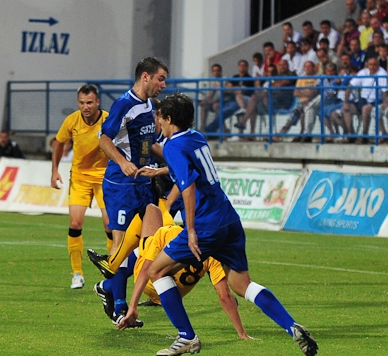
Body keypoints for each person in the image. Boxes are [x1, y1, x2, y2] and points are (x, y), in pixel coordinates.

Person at [117, 93, 317, 356]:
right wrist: (161, 171)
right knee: (243, 285)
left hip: (205, 225)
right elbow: (193, 168)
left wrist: (190, 230)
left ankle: (186, 336)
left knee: (156, 270)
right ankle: (290, 325)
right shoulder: (196, 137)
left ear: (169, 118)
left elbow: (188, 187)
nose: (158, 122)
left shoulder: (173, 146)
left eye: (160, 117)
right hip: (229, 220)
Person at [88, 56, 168, 324]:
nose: (163, 85)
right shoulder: (124, 104)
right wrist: (123, 163)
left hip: (144, 183)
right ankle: (119, 307)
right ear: (145, 77)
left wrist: (174, 160)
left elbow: (150, 145)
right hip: (121, 185)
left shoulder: (148, 105)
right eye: (160, 79)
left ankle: (107, 286)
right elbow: (104, 140)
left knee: (148, 244)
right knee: (121, 243)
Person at [100, 204, 252, 338]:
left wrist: (133, 306)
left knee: (151, 211)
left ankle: (113, 275)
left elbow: (146, 269)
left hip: (150, 280)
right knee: (154, 237)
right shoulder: (214, 254)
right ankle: (107, 285)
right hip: (169, 295)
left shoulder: (170, 233)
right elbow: (225, 296)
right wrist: (242, 333)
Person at [50, 84, 112, 290]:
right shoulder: (72, 121)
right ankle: (77, 273)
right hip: (80, 177)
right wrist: (55, 170)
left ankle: (112, 270)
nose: (86, 107)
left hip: (105, 178)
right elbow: (59, 143)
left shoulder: (108, 119)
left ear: (97, 102)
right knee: (75, 223)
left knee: (110, 226)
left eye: (90, 103)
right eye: (82, 103)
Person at [198, 63, 223, 131]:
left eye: (217, 70)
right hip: (214, 102)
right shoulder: (214, 82)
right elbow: (211, 94)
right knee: (204, 106)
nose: (216, 72)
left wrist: (214, 101)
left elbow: (225, 95)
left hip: (223, 102)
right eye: (214, 71)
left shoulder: (224, 80)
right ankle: (202, 128)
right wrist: (204, 101)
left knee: (216, 106)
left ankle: (222, 128)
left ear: (221, 71)